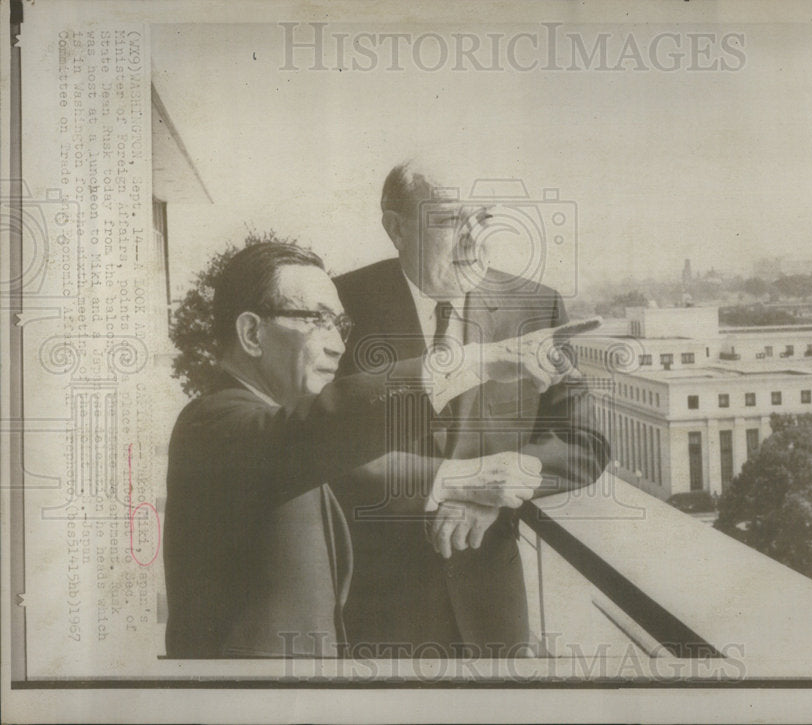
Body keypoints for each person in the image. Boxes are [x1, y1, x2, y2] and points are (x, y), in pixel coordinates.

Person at [163, 242, 570, 658]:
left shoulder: (269, 433)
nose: (338, 345)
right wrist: (478, 363)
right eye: (316, 320)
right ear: (252, 333)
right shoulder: (213, 424)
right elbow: (324, 427)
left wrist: (465, 482)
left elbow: (329, 454)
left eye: (339, 324)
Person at [333, 160, 610, 657]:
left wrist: (498, 486)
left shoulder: (535, 307)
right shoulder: (340, 307)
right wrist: (463, 480)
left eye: (481, 218)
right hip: (377, 613)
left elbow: (585, 443)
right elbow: (317, 450)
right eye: (449, 220)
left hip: (492, 612)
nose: (472, 238)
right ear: (396, 228)